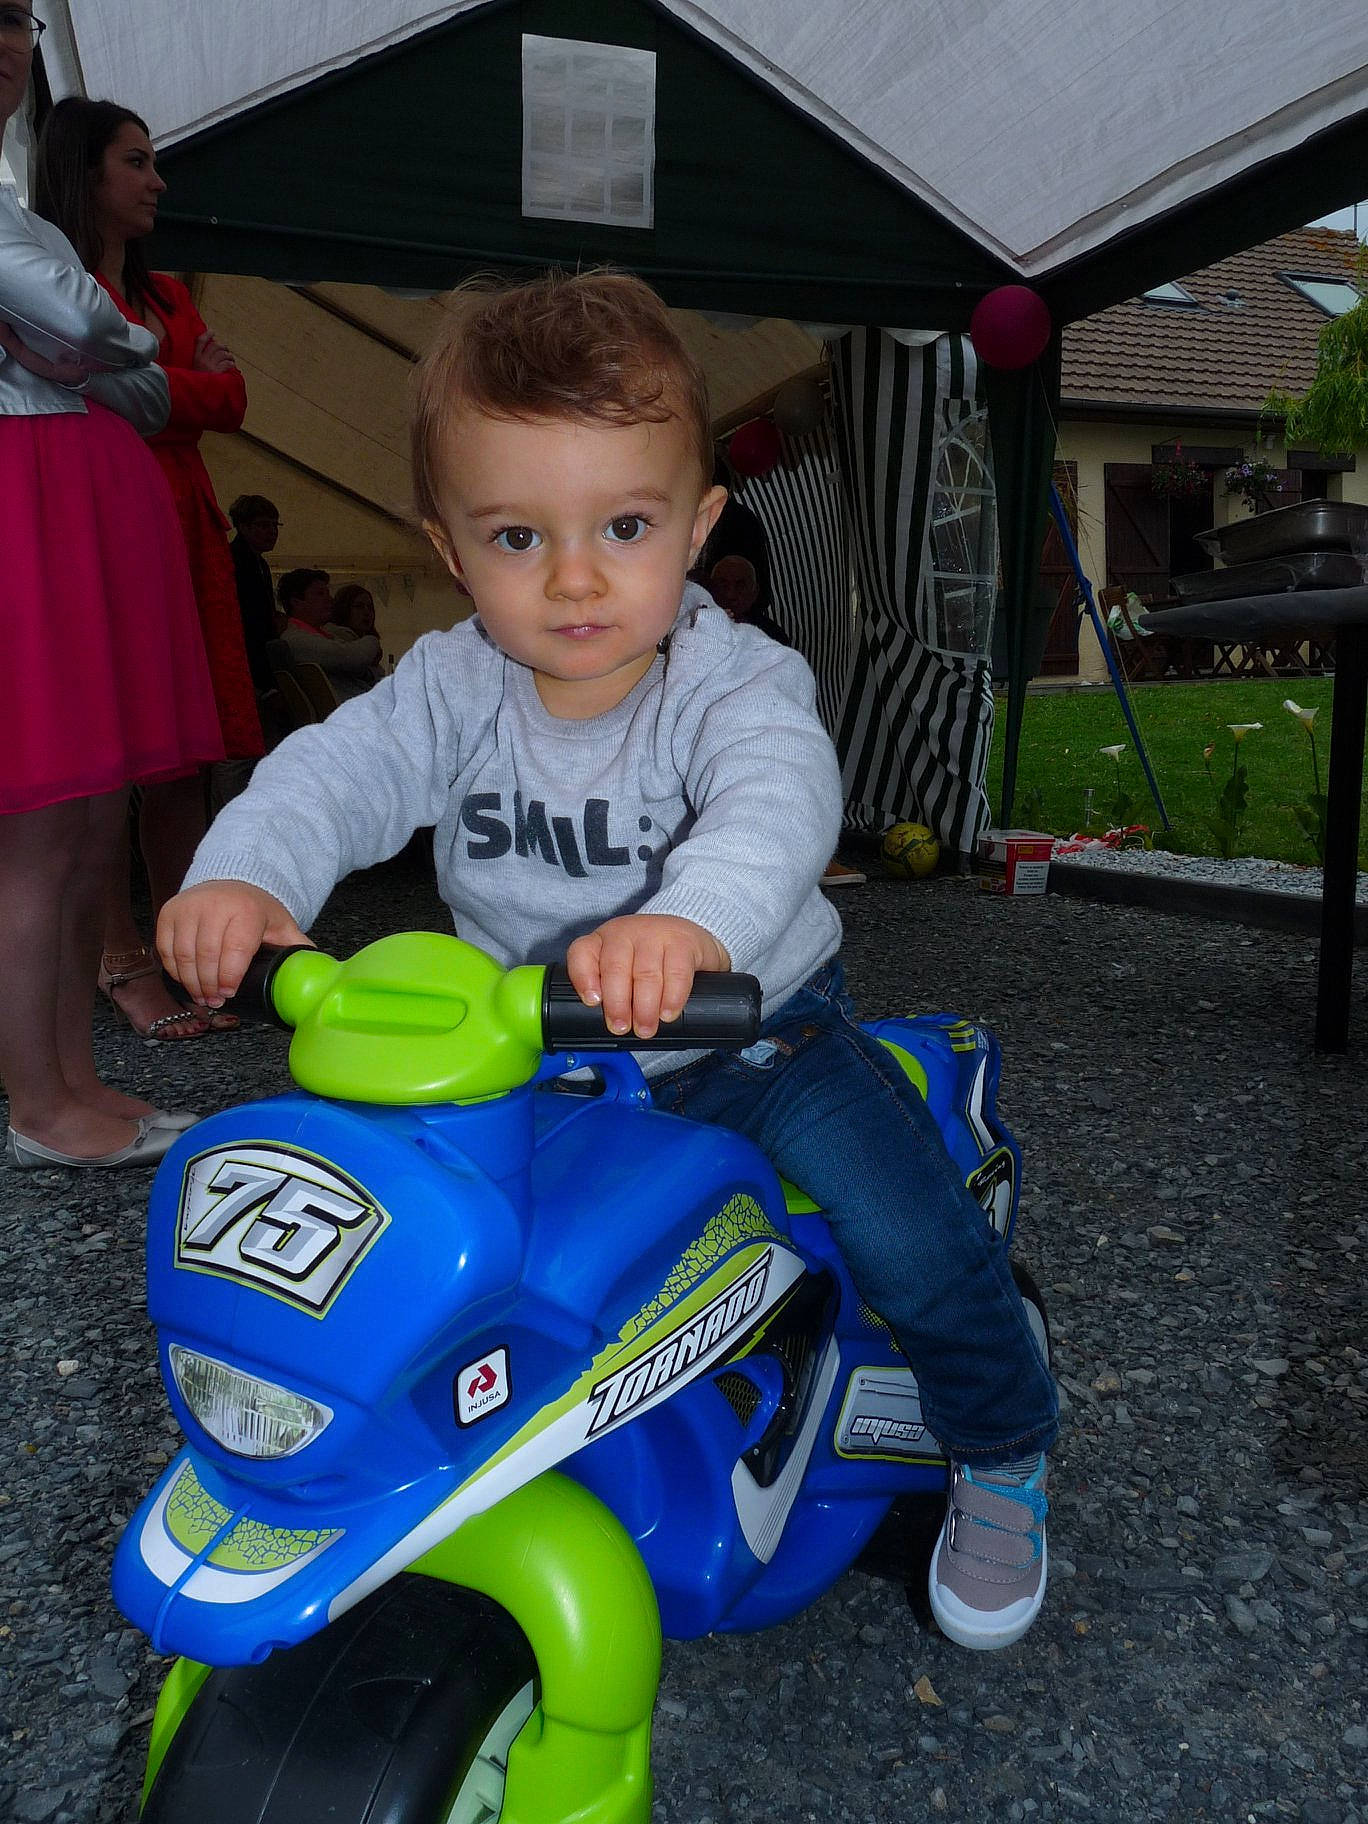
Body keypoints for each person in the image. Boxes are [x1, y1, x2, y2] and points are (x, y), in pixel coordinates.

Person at [158, 270, 1057, 1648]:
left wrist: (689, 928)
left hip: (744, 1042)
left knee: (906, 1237)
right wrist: (243, 875)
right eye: (519, 534)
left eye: (623, 526)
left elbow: (777, 798)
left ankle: (1004, 1441)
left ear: (696, 529)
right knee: (409, 1252)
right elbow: (331, 775)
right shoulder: (452, 684)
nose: (574, 577)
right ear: (451, 551)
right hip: (521, 1057)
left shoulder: (731, 679)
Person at [0, 4, 216, 1166]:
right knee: (40, 830)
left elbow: (116, 360)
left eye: (14, 21)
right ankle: (39, 1104)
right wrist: (102, 341)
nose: (6, 42)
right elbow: (92, 329)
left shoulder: (22, 217)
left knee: (86, 821)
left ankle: (72, 1080)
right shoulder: (21, 229)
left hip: (67, 494)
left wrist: (97, 344)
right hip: (25, 497)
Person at [33, 96, 262, 1040]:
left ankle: (189, 947)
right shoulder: (55, 281)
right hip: (102, 523)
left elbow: (231, 397)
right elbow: (130, 394)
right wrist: (184, 389)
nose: (157, 180)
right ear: (85, 173)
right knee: (112, 754)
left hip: (185, 528)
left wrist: (173, 392)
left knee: (185, 754)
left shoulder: (164, 294)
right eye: (136, 162)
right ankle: (116, 958)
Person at [707, 553, 866, 889]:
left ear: (755, 591)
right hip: (705, 728)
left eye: (740, 586)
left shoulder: (770, 636)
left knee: (801, 758)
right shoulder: (695, 627)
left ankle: (815, 857)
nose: (731, 593)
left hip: (754, 726)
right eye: (721, 585)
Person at [276, 567, 382, 699]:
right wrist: (373, 641)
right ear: (296, 602)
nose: (330, 599)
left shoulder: (324, 636)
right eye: (320, 594)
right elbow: (352, 658)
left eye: (327, 593)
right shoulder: (296, 639)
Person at [227, 493, 283, 693]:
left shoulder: (260, 564)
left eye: (275, 525)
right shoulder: (234, 561)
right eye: (264, 525)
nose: (272, 532)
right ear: (243, 526)